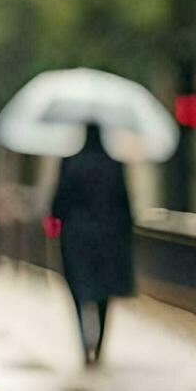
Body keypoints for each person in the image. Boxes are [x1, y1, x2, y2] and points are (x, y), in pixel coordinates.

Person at [49, 122, 134, 365]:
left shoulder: (70, 163)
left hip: (75, 238)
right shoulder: (115, 166)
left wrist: (58, 228)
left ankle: (83, 342)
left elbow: (58, 204)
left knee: (78, 290)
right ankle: (99, 345)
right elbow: (125, 206)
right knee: (103, 294)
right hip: (108, 238)